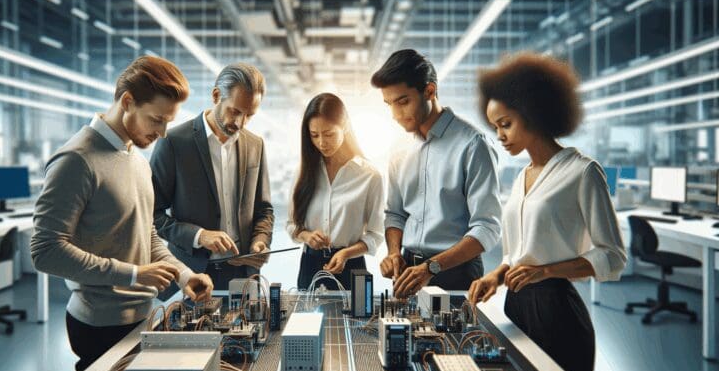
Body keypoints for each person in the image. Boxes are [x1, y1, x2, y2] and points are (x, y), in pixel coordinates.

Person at [31, 56, 214, 371]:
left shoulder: (138, 160)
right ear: (127, 101)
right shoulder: (76, 160)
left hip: (142, 317)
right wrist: (133, 274)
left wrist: (184, 275)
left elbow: (147, 235)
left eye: (168, 122)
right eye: (156, 119)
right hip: (98, 326)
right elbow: (45, 251)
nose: (163, 132)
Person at [468, 52, 627, 371]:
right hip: (516, 303)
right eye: (495, 126)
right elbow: (518, 252)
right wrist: (496, 276)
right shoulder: (523, 176)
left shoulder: (582, 172)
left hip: (558, 312)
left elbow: (612, 255)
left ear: (534, 114)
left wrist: (546, 271)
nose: (499, 135)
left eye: (505, 123)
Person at [371, 49, 501, 296]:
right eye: (389, 104)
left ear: (429, 91)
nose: (395, 115)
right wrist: (393, 253)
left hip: (457, 273)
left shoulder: (473, 145)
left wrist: (432, 267)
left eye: (403, 102)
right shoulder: (399, 148)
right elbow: (395, 213)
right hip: (408, 271)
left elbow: (487, 228)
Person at [150, 63, 274, 290]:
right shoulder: (173, 142)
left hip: (244, 274)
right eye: (235, 111)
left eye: (249, 115)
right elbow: (152, 215)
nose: (240, 123)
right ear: (216, 95)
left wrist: (260, 241)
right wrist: (199, 235)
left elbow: (264, 209)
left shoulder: (255, 145)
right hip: (192, 274)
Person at [286, 93, 384, 290]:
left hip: (351, 267)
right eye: (314, 135)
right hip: (310, 266)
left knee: (356, 321)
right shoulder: (303, 172)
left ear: (345, 126)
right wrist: (306, 236)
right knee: (306, 320)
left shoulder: (369, 175)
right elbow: (291, 224)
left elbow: (375, 234)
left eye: (329, 134)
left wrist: (346, 253)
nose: (322, 142)